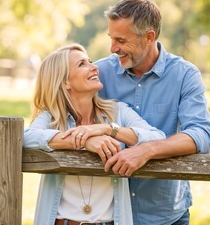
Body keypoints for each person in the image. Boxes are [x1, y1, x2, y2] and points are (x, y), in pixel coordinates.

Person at [94, 0, 210, 224]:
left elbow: (202, 134)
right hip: (108, 213)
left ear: (148, 37)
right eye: (111, 38)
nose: (113, 48)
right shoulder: (98, 73)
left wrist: (146, 150)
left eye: (120, 40)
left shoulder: (184, 75)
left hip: (165, 213)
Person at [23, 43, 165, 225]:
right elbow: (27, 138)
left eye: (90, 61)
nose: (94, 66)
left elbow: (157, 137)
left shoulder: (118, 112)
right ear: (65, 81)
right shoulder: (51, 117)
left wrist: (109, 130)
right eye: (82, 64)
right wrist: (84, 141)